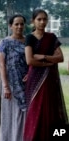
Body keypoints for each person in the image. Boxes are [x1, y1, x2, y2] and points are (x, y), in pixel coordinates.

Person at [24, 9, 68, 141]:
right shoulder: (29, 37)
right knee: (36, 110)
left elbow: (60, 58)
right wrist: (47, 62)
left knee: (52, 108)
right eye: (39, 19)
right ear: (33, 21)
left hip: (50, 79)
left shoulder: (51, 37)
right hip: (35, 79)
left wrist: (42, 57)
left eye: (45, 19)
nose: (42, 22)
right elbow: (30, 60)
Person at [0, 14, 28, 141]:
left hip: (26, 82)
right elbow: (1, 64)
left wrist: (30, 74)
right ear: (10, 26)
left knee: (24, 113)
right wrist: (6, 86)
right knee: (10, 113)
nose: (19, 26)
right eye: (16, 24)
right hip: (9, 83)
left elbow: (31, 61)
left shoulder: (28, 41)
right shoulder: (5, 42)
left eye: (22, 24)